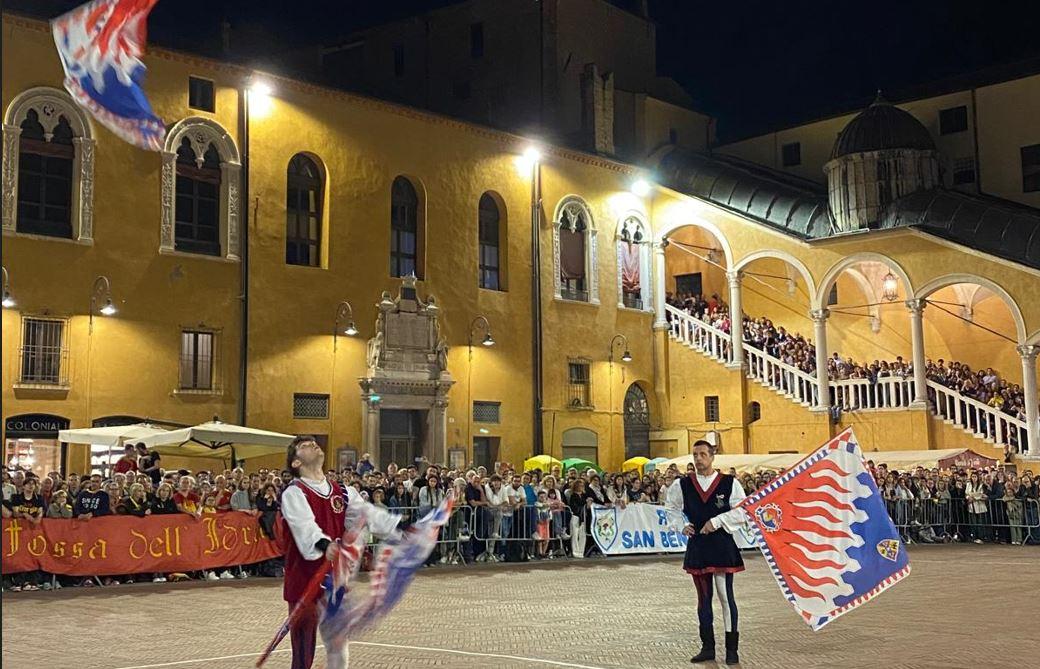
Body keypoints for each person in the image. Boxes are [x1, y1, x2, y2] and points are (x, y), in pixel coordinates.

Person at [280, 435, 400, 669]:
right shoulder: (294, 493)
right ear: (296, 463)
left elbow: (368, 514)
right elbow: (304, 527)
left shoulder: (342, 492)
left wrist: (400, 529)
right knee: (303, 652)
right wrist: (325, 545)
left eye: (314, 443)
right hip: (304, 580)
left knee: (337, 641)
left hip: (332, 580)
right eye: (304, 446)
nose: (313, 445)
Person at [666, 440, 747, 665]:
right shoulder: (682, 484)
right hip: (699, 546)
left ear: (712, 456)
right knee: (703, 598)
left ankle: (732, 649)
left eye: (703, 454)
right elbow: (670, 507)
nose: (698, 459)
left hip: (721, 545)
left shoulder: (729, 483)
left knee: (724, 596)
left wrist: (717, 521)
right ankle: (707, 646)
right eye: (695, 454)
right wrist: (680, 525)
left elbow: (742, 511)